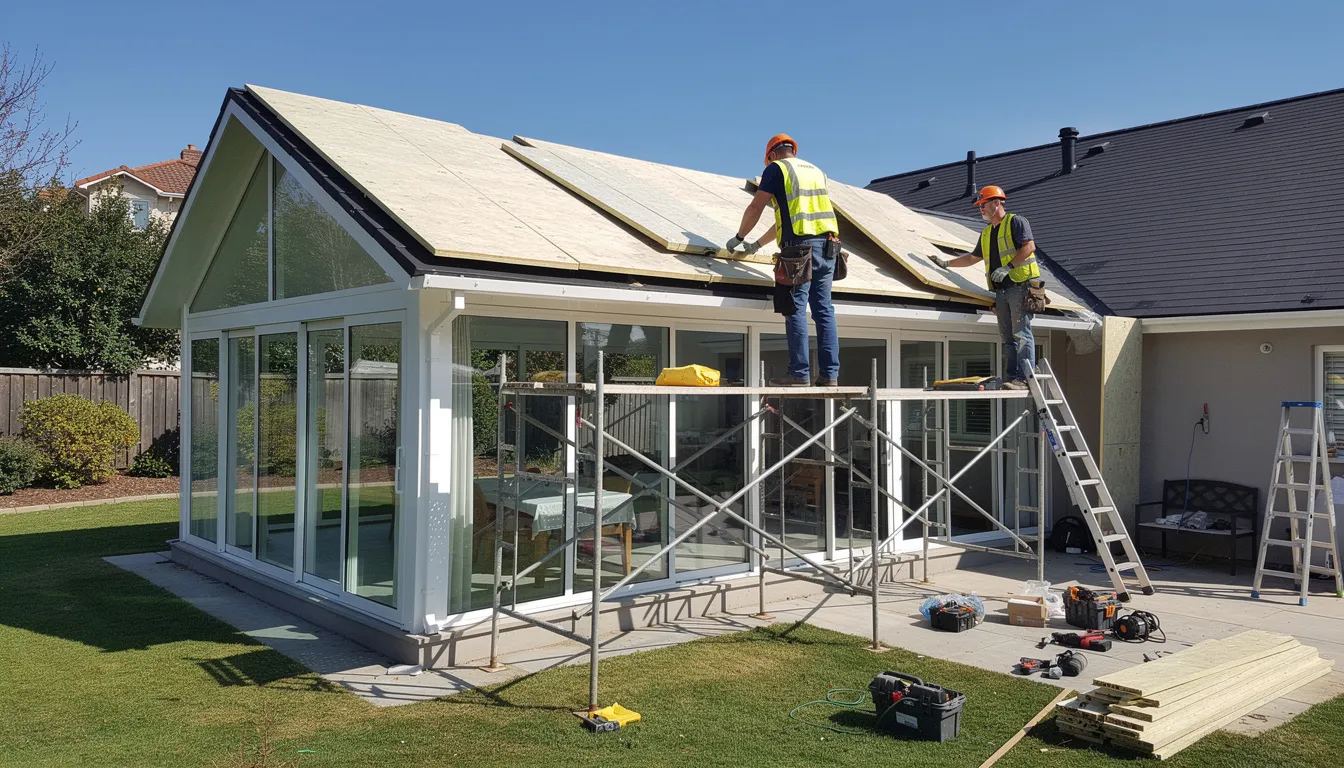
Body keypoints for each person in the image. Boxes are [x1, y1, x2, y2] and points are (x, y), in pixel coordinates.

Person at [727, 133, 841, 386]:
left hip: (799, 251)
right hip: (828, 248)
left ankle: (799, 374)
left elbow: (756, 207)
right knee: (824, 310)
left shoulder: (777, 169)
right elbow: (790, 219)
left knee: (795, 308)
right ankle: (830, 375)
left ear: (772, 155)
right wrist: (756, 244)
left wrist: (739, 236)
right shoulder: (815, 171)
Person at [930, 185, 1041, 390]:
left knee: (1022, 334)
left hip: (1020, 287)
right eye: (979, 205)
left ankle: (1025, 379)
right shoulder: (987, 233)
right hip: (1001, 291)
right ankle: (1013, 378)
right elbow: (973, 258)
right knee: (1008, 338)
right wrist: (947, 263)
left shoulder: (1016, 221)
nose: (980, 208)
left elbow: (1029, 246)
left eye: (983, 203)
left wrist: (1009, 267)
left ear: (997, 202)